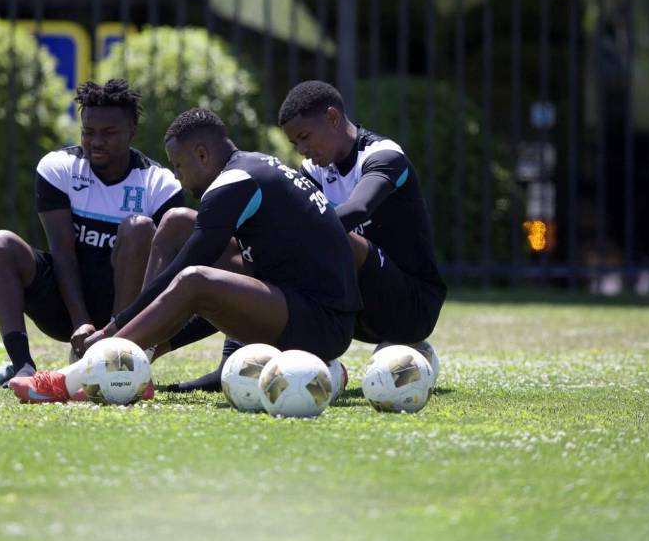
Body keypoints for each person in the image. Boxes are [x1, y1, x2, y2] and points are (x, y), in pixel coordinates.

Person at [7, 107, 362, 403]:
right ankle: (136, 361)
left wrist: (115, 328)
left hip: (319, 324)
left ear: (203, 155)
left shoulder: (233, 184)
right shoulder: (254, 167)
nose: (178, 178)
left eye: (178, 166)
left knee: (194, 279)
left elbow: (187, 268)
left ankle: (76, 377)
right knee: (177, 221)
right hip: (306, 306)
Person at [170, 80, 447, 392]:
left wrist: (284, 240)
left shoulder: (384, 156)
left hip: (410, 308)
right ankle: (229, 363)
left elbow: (358, 209)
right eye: (295, 144)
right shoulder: (311, 173)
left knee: (342, 241)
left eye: (304, 137)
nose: (302, 150)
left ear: (332, 118)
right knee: (251, 252)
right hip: (347, 311)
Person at [0, 79, 184, 387]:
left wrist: (121, 330)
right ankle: (22, 366)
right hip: (66, 304)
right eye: (88, 132)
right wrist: (81, 321)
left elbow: (165, 269)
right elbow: (62, 251)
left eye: (109, 133)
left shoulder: (158, 184)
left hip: (126, 309)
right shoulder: (58, 167)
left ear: (131, 132)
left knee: (139, 227)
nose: (96, 141)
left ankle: (116, 350)